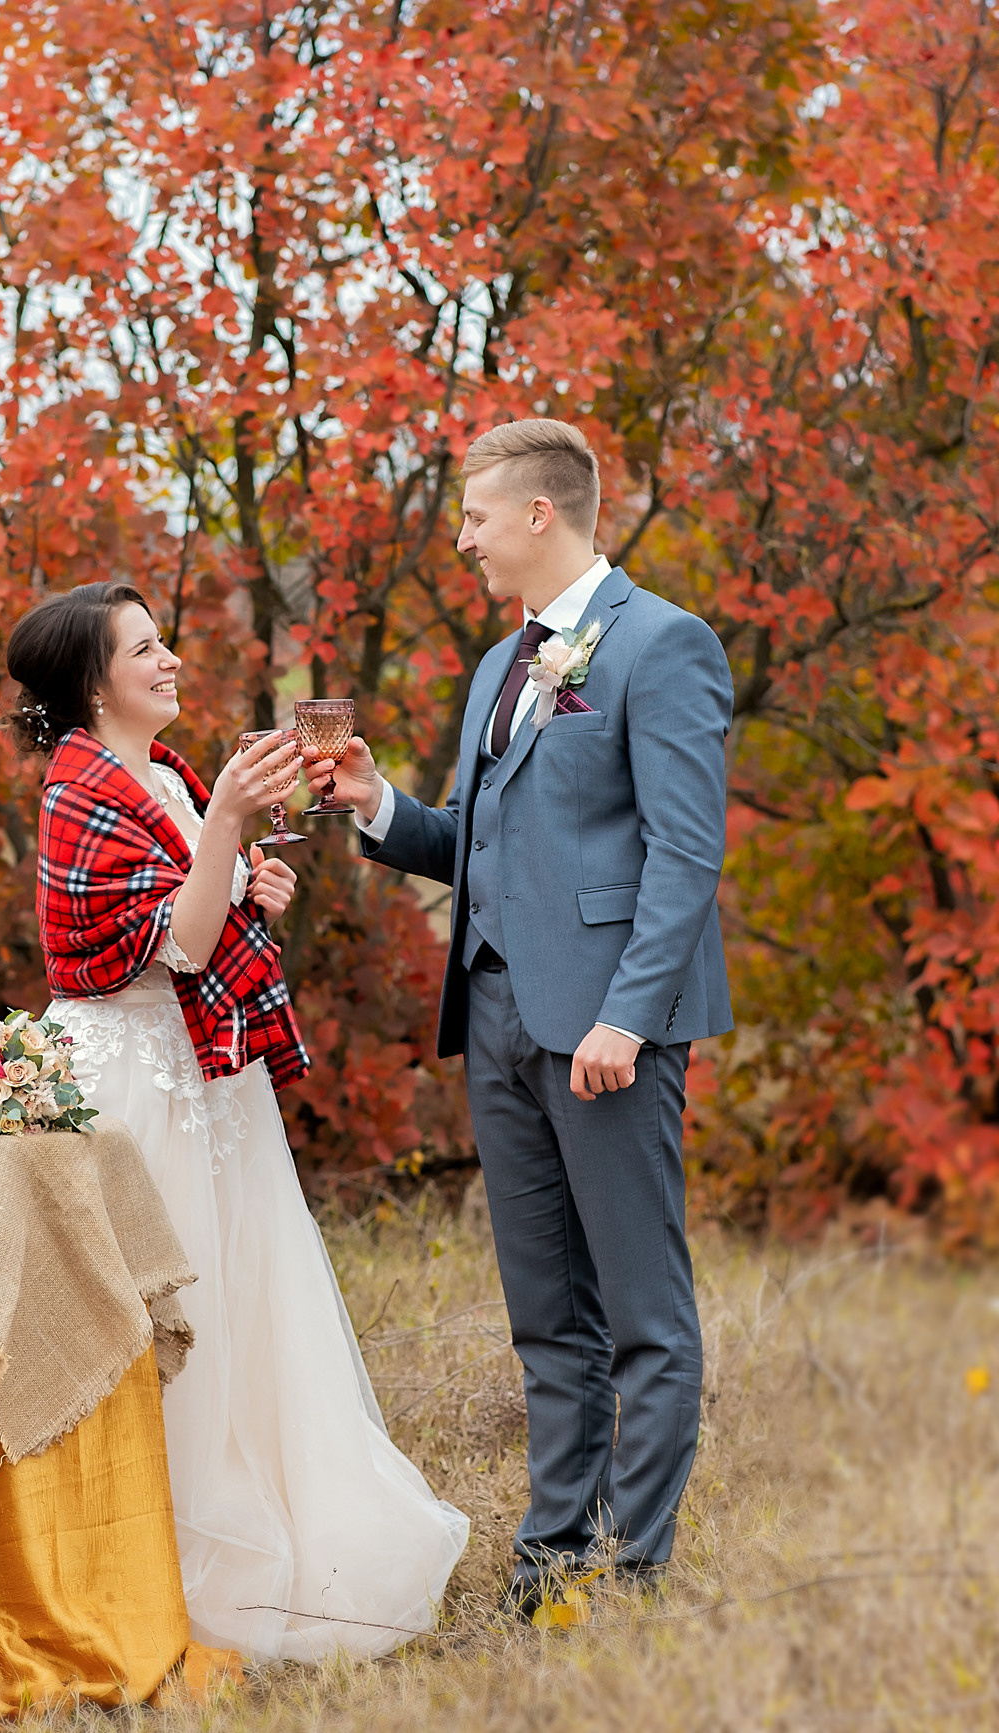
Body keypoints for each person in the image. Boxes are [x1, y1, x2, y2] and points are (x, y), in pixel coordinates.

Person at [312, 419, 735, 1618]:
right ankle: (552, 1558)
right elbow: (476, 839)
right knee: (547, 1314)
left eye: (477, 518)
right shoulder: (506, 665)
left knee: (642, 1312)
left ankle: (633, 1572)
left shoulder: (664, 645)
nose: (465, 540)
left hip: (606, 1031)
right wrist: (379, 803)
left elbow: (684, 855)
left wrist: (628, 1019)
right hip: (494, 1013)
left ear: (540, 514)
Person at [6, 581, 470, 1664]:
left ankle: (271, 1526)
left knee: (246, 1298)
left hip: (209, 1075)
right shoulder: (79, 789)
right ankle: (146, 1552)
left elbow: (199, 912)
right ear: (92, 681)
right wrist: (222, 837)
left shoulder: (163, 771)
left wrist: (241, 868)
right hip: (129, 1084)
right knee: (161, 1320)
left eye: (164, 642)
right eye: (144, 649)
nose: (169, 661)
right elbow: (170, 943)